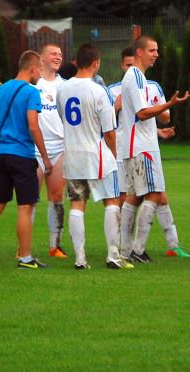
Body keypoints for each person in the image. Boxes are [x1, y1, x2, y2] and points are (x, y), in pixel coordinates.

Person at [0, 50, 53, 270]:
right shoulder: (31, 92)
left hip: (2, 153)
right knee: (25, 206)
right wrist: (45, 157)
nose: (40, 75)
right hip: (22, 155)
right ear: (32, 68)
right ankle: (25, 257)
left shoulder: (1, 90)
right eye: (40, 70)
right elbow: (33, 126)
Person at [56, 43, 131, 269]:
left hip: (72, 155)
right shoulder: (98, 91)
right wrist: (114, 154)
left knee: (77, 204)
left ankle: (80, 259)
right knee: (111, 201)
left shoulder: (63, 89)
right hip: (97, 155)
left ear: (76, 62)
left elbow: (63, 118)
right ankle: (113, 256)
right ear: (96, 63)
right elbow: (109, 131)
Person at [120, 35, 190, 263]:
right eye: (152, 50)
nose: (157, 54)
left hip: (137, 145)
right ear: (139, 52)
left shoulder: (135, 77)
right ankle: (137, 250)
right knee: (152, 193)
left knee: (133, 197)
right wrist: (169, 104)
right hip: (143, 147)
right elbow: (141, 113)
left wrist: (160, 126)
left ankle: (125, 249)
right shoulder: (137, 77)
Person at [33, 44, 68, 259]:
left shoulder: (65, 86)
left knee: (56, 196)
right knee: (30, 198)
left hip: (59, 148)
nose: (58, 57)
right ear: (41, 58)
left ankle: (55, 244)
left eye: (60, 54)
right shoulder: (33, 85)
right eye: (53, 53)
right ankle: (23, 247)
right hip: (35, 149)